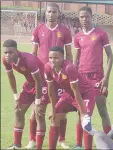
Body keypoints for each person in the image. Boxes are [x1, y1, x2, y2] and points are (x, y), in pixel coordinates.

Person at [29, 3, 73, 149]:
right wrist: (32, 73)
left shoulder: (65, 31)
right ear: (45, 13)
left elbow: (69, 53)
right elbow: (33, 53)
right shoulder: (38, 29)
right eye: (49, 11)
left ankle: (62, 140)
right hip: (42, 74)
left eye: (54, 12)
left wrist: (68, 71)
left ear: (58, 13)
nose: (51, 14)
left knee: (61, 109)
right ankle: (32, 140)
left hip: (60, 75)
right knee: (38, 108)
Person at [74, 6, 113, 149]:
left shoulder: (101, 34)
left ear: (92, 17)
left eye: (86, 16)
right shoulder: (78, 36)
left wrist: (106, 78)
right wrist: (74, 76)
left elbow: (110, 56)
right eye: (81, 17)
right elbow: (76, 60)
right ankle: (78, 144)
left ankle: (109, 141)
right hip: (82, 78)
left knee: (102, 109)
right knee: (81, 112)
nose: (84, 19)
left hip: (98, 77)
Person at [45, 46, 96, 150]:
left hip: (85, 94)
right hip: (68, 94)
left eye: (56, 58)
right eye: (50, 58)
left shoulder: (69, 67)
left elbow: (76, 91)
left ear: (63, 58)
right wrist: (53, 109)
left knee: (86, 123)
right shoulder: (47, 67)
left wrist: (83, 113)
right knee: (55, 117)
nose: (52, 60)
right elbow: (51, 91)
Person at [2, 39, 48, 149]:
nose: (7, 55)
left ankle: (39, 147)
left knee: (39, 114)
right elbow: (11, 77)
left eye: (10, 52)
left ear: (17, 51)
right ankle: (17, 144)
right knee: (18, 111)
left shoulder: (29, 60)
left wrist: (37, 102)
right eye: (5, 52)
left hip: (44, 83)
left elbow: (39, 81)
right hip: (29, 84)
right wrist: (16, 97)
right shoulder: (6, 60)